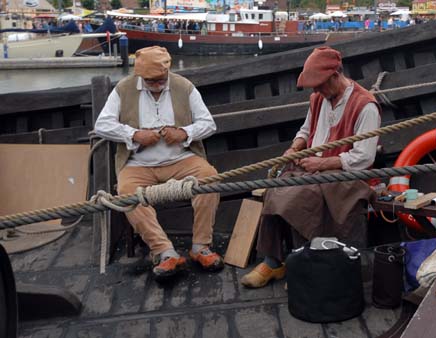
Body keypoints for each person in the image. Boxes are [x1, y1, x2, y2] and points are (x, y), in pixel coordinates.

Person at [240, 46, 381, 288]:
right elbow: (305, 131)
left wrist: (323, 162)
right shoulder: (319, 98)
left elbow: (364, 157)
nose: (316, 90)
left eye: (319, 84)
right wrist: (295, 148)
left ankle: (303, 264)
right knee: (275, 185)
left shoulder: (365, 106)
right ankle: (273, 261)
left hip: (346, 176)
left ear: (336, 75)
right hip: (314, 169)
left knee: (300, 196)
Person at [94, 46, 223, 280]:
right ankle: (164, 251)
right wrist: (134, 135)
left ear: (168, 72)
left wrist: (184, 132)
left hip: (181, 160)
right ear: (140, 75)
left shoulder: (184, 86)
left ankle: (201, 247)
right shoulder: (123, 89)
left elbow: (209, 124)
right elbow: (101, 125)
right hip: (138, 164)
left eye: (160, 80)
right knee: (126, 194)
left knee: (209, 178)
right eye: (150, 81)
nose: (156, 85)